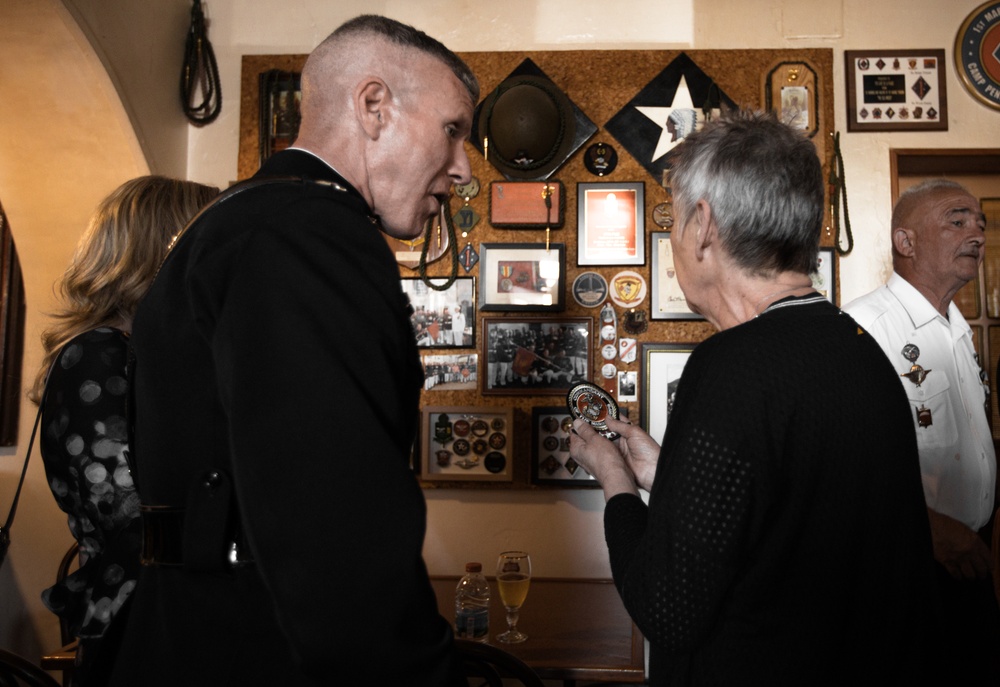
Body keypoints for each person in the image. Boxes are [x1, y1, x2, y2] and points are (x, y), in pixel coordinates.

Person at [110, 15, 478, 686]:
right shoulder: (306, 235)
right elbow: (336, 531)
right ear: (373, 106)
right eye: (453, 131)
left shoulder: (242, 222)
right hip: (256, 648)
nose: (464, 168)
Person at [569, 110, 942, 686]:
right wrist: (667, 472)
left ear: (703, 225)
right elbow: (791, 518)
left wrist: (614, 478)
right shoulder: (858, 349)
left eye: (672, 220)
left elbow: (666, 610)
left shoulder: (731, 366)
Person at [29, 176, 219, 687]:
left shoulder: (154, 353)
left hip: (174, 615)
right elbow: (128, 509)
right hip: (138, 621)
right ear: (165, 250)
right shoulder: (96, 354)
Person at [843, 179, 1000, 681]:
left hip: (971, 562)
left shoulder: (957, 327)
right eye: (957, 220)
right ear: (905, 242)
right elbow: (842, 463)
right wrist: (932, 532)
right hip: (909, 569)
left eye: (981, 222)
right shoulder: (864, 327)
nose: (976, 232)